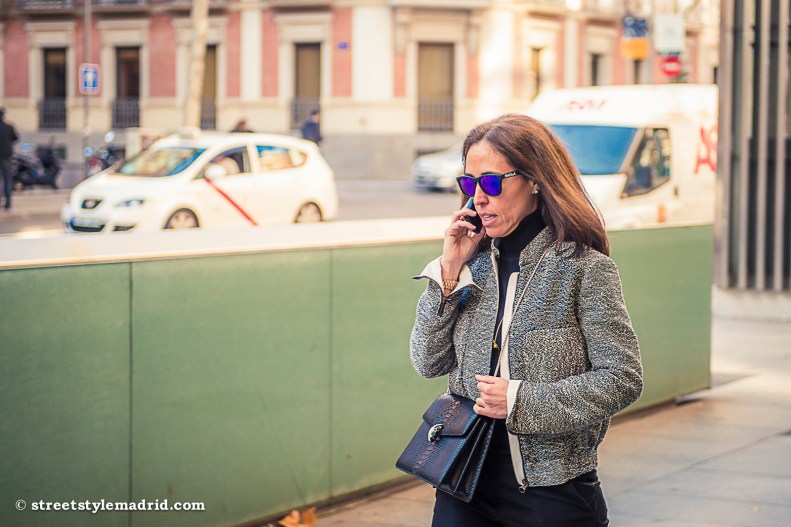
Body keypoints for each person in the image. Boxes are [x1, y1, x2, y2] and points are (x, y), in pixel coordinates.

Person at [410, 114, 643, 527]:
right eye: (469, 184)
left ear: (535, 179)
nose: (479, 198)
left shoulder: (584, 269)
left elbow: (622, 377)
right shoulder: (471, 268)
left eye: (492, 182)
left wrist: (520, 401)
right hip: (462, 480)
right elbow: (428, 361)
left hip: (551, 494)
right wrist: (448, 271)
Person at [0, 107, 19, 210]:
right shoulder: (8, 127)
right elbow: (16, 138)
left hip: (5, 156)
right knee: (7, 178)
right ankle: (7, 202)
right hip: (6, 156)